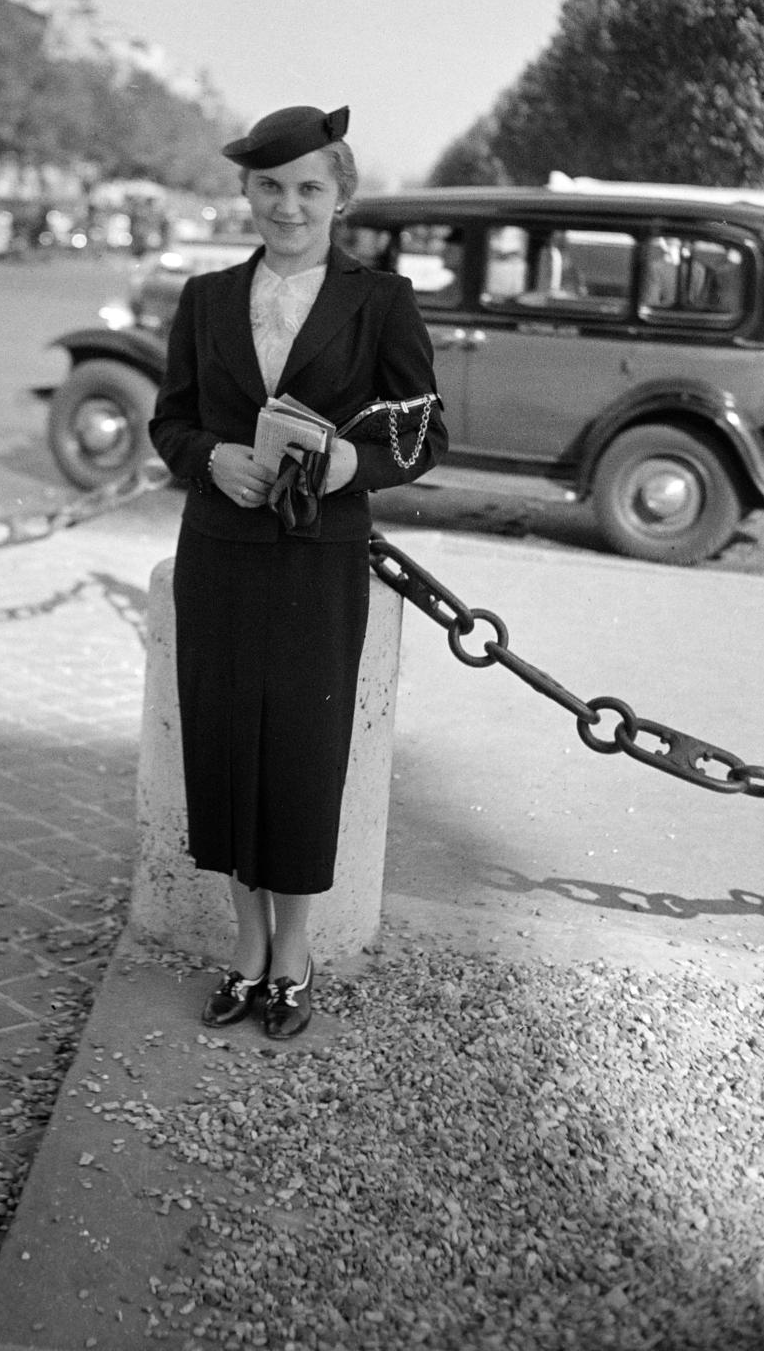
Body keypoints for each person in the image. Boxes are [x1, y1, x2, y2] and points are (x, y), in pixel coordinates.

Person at [148, 104, 447, 1039]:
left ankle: (296, 952)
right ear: (245, 191)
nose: (288, 206)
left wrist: (361, 464)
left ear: (340, 198)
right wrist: (208, 460)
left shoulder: (382, 301)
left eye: (309, 188)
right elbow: (170, 421)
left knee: (305, 758)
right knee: (227, 748)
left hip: (320, 560)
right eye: (270, 187)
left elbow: (427, 432)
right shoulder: (202, 299)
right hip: (222, 555)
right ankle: (245, 948)